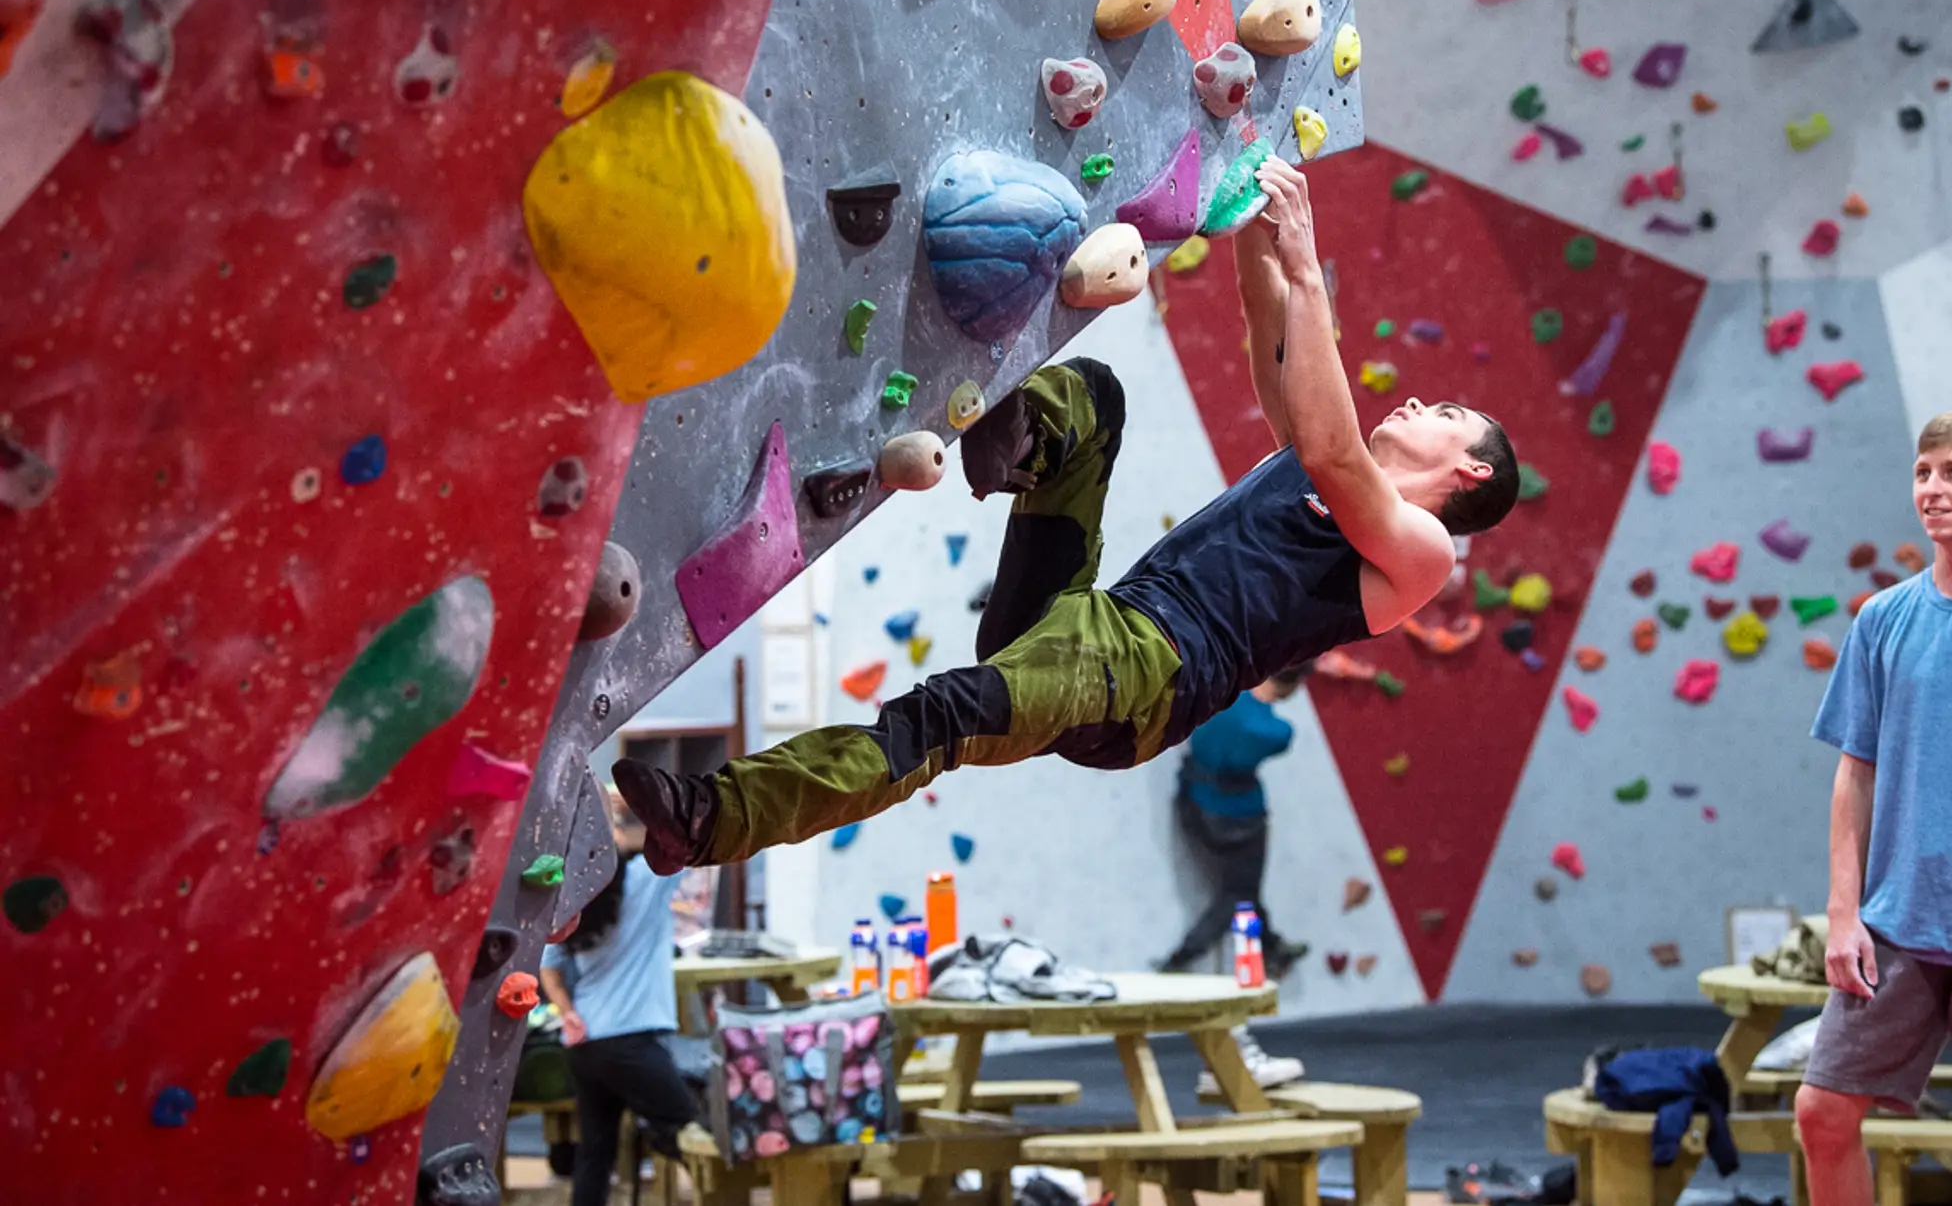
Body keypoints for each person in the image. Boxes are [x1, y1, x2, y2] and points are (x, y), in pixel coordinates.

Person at [616, 157, 1520, 870]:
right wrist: (1257, 191)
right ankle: (1011, 438)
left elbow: (1333, 447)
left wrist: (1309, 264)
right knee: (1097, 400)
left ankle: (710, 818)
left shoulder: (1420, 553)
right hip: (1089, 623)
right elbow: (1267, 317)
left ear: (1469, 469)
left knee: (938, 718)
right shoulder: (1315, 457)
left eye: (1444, 413)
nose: (1416, 403)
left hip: (1146, 677)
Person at [1794, 412, 1952, 1206]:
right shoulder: (1882, 620)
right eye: (1923, 473)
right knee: (1821, 1113)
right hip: (1896, 924)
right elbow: (1854, 775)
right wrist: (1843, 915)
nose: (1932, 489)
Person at [539, 785, 706, 1206]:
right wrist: (633, 798)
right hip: (632, 1041)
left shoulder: (573, 905)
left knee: (596, 1153)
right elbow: (681, 831)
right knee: (696, 1136)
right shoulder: (646, 881)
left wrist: (567, 1011)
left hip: (586, 1042)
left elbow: (549, 965)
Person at [1159, 664, 1316, 979]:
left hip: (1192, 799)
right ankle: (1184, 956)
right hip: (1239, 820)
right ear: (1294, 682)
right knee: (1239, 895)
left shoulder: (1220, 691)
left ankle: (1271, 947)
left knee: (1245, 888)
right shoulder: (1276, 732)